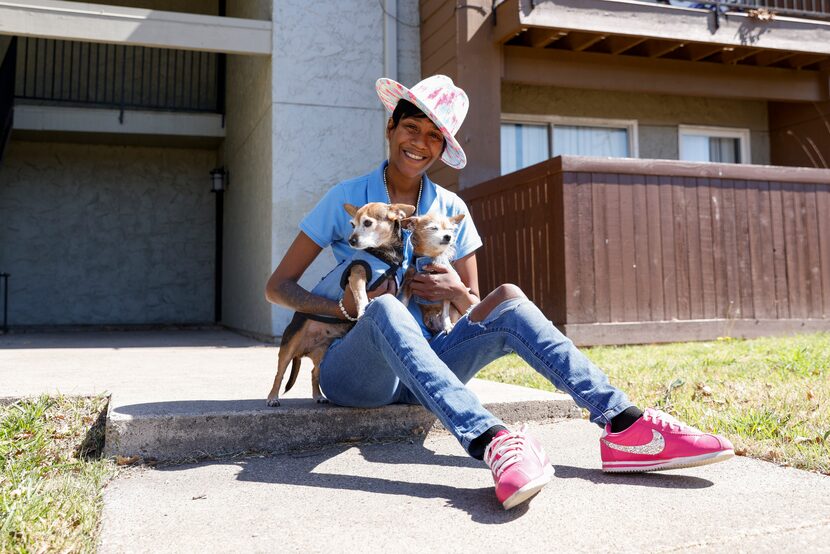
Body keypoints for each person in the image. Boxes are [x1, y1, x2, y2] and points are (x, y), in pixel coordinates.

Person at [265, 75, 734, 510]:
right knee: (384, 306)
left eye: (435, 136)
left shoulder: (452, 208)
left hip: (427, 368)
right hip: (356, 372)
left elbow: (475, 305)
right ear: (391, 127)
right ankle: (494, 442)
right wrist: (343, 309)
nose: (420, 144)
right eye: (412, 128)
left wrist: (455, 290)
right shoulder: (347, 197)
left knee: (507, 296)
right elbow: (277, 287)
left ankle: (625, 424)